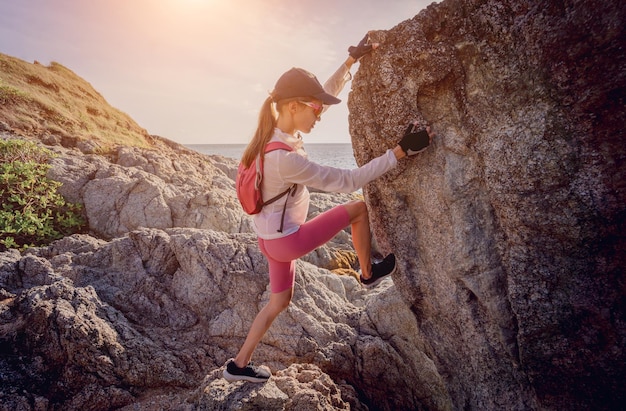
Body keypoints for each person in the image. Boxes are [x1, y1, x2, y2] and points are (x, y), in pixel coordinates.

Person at [223, 34, 433, 383]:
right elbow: (350, 181)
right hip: (286, 241)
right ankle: (367, 273)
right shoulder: (285, 159)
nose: (320, 115)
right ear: (294, 107)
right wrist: (400, 151)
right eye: (315, 109)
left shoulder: (269, 137)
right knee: (357, 209)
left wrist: (351, 61)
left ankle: (238, 366)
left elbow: (322, 96)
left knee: (279, 303)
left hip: (267, 239)